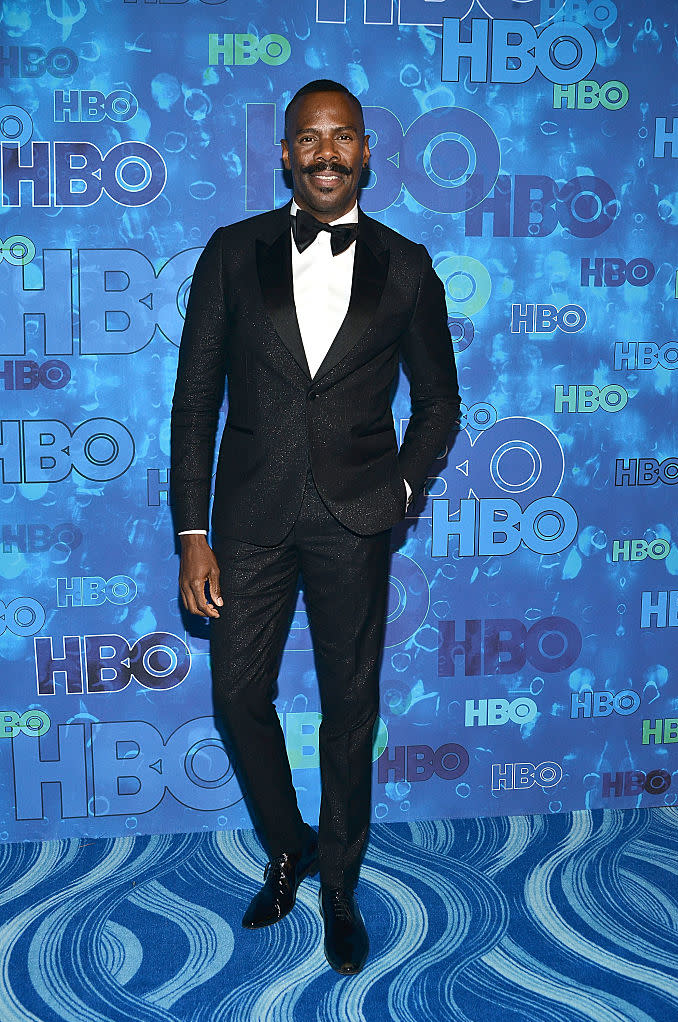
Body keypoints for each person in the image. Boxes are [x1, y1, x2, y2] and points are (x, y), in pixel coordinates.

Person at [170, 78, 460, 975]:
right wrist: (191, 534)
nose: (324, 151)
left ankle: (337, 879)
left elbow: (440, 404)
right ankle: (288, 841)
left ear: (366, 151)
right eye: (307, 137)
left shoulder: (408, 266)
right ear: (285, 152)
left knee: (349, 710)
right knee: (234, 699)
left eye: (341, 137)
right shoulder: (231, 251)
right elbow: (194, 402)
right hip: (248, 519)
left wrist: (401, 493)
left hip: (354, 520)